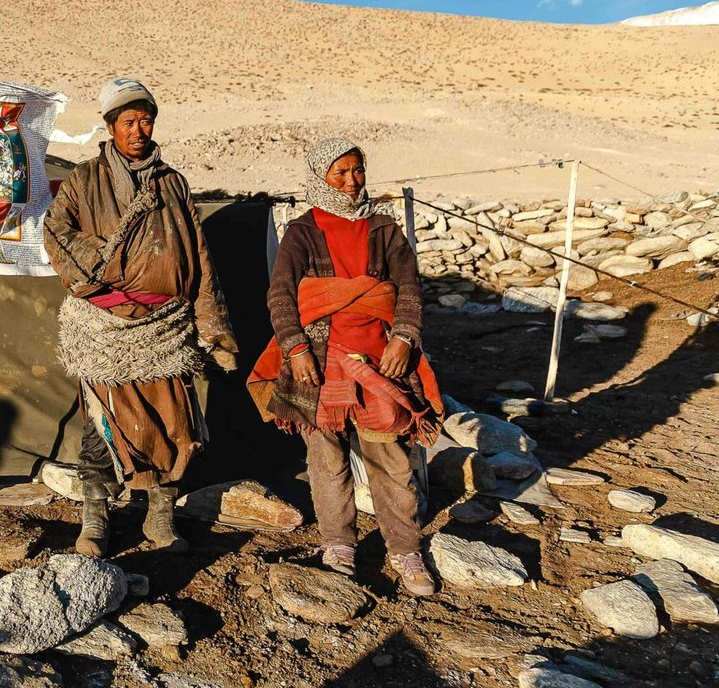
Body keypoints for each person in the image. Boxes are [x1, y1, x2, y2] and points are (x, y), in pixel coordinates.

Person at [45, 78, 238, 556]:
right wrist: (106, 268)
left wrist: (212, 327)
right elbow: (55, 231)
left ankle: (159, 517)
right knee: (102, 426)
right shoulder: (84, 180)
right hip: (107, 327)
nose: (139, 128)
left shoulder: (172, 182)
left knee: (175, 425)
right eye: (128, 121)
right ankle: (95, 522)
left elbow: (198, 253)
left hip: (165, 327)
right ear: (110, 127)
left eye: (145, 119)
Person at [248, 138, 443, 597]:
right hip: (317, 361)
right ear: (320, 178)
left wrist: (404, 337)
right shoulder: (301, 231)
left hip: (381, 361)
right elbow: (281, 295)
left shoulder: (384, 229)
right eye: (341, 173)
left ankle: (405, 549)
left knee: (391, 458)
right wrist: (294, 349)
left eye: (358, 171)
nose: (353, 181)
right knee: (326, 459)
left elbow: (409, 288)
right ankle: (338, 546)